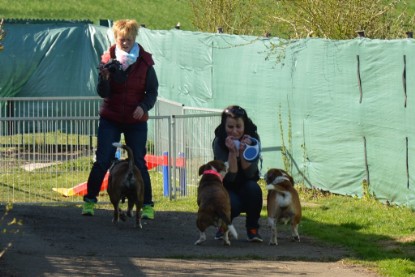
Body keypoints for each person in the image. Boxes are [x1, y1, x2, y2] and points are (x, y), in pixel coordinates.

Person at [82, 19, 158, 220]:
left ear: (134, 38)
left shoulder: (145, 62)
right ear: (115, 38)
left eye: (128, 39)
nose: (125, 43)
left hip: (135, 120)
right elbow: (102, 92)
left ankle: (148, 205)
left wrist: (143, 107)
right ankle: (89, 201)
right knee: (103, 160)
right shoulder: (107, 59)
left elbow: (152, 91)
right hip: (111, 118)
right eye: (121, 39)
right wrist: (105, 78)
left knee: (139, 162)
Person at [212, 105, 263, 242]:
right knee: (232, 203)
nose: (234, 131)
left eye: (238, 126)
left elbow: (251, 174)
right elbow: (229, 178)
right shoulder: (219, 141)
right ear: (224, 126)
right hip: (227, 185)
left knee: (254, 189)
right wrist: (232, 153)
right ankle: (223, 226)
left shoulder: (253, 139)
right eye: (230, 127)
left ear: (244, 125)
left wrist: (243, 152)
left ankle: (253, 229)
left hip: (247, 183)